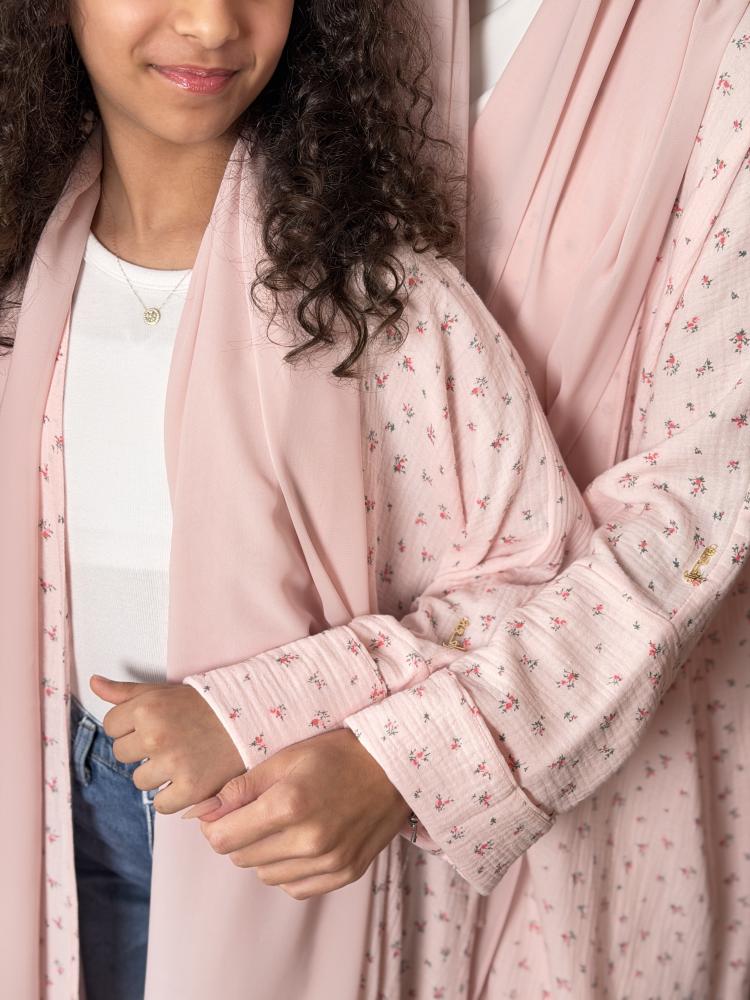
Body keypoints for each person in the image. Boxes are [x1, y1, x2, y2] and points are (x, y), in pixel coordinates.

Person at [0, 2, 595, 999]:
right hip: (49, 812)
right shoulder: (21, 277)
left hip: (265, 823)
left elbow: (547, 591)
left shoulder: (380, 299)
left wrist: (258, 708)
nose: (209, 23)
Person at [421, 0, 750, 996]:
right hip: (284, 764)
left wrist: (405, 746)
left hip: (600, 765)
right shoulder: (326, 23)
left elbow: (698, 501)